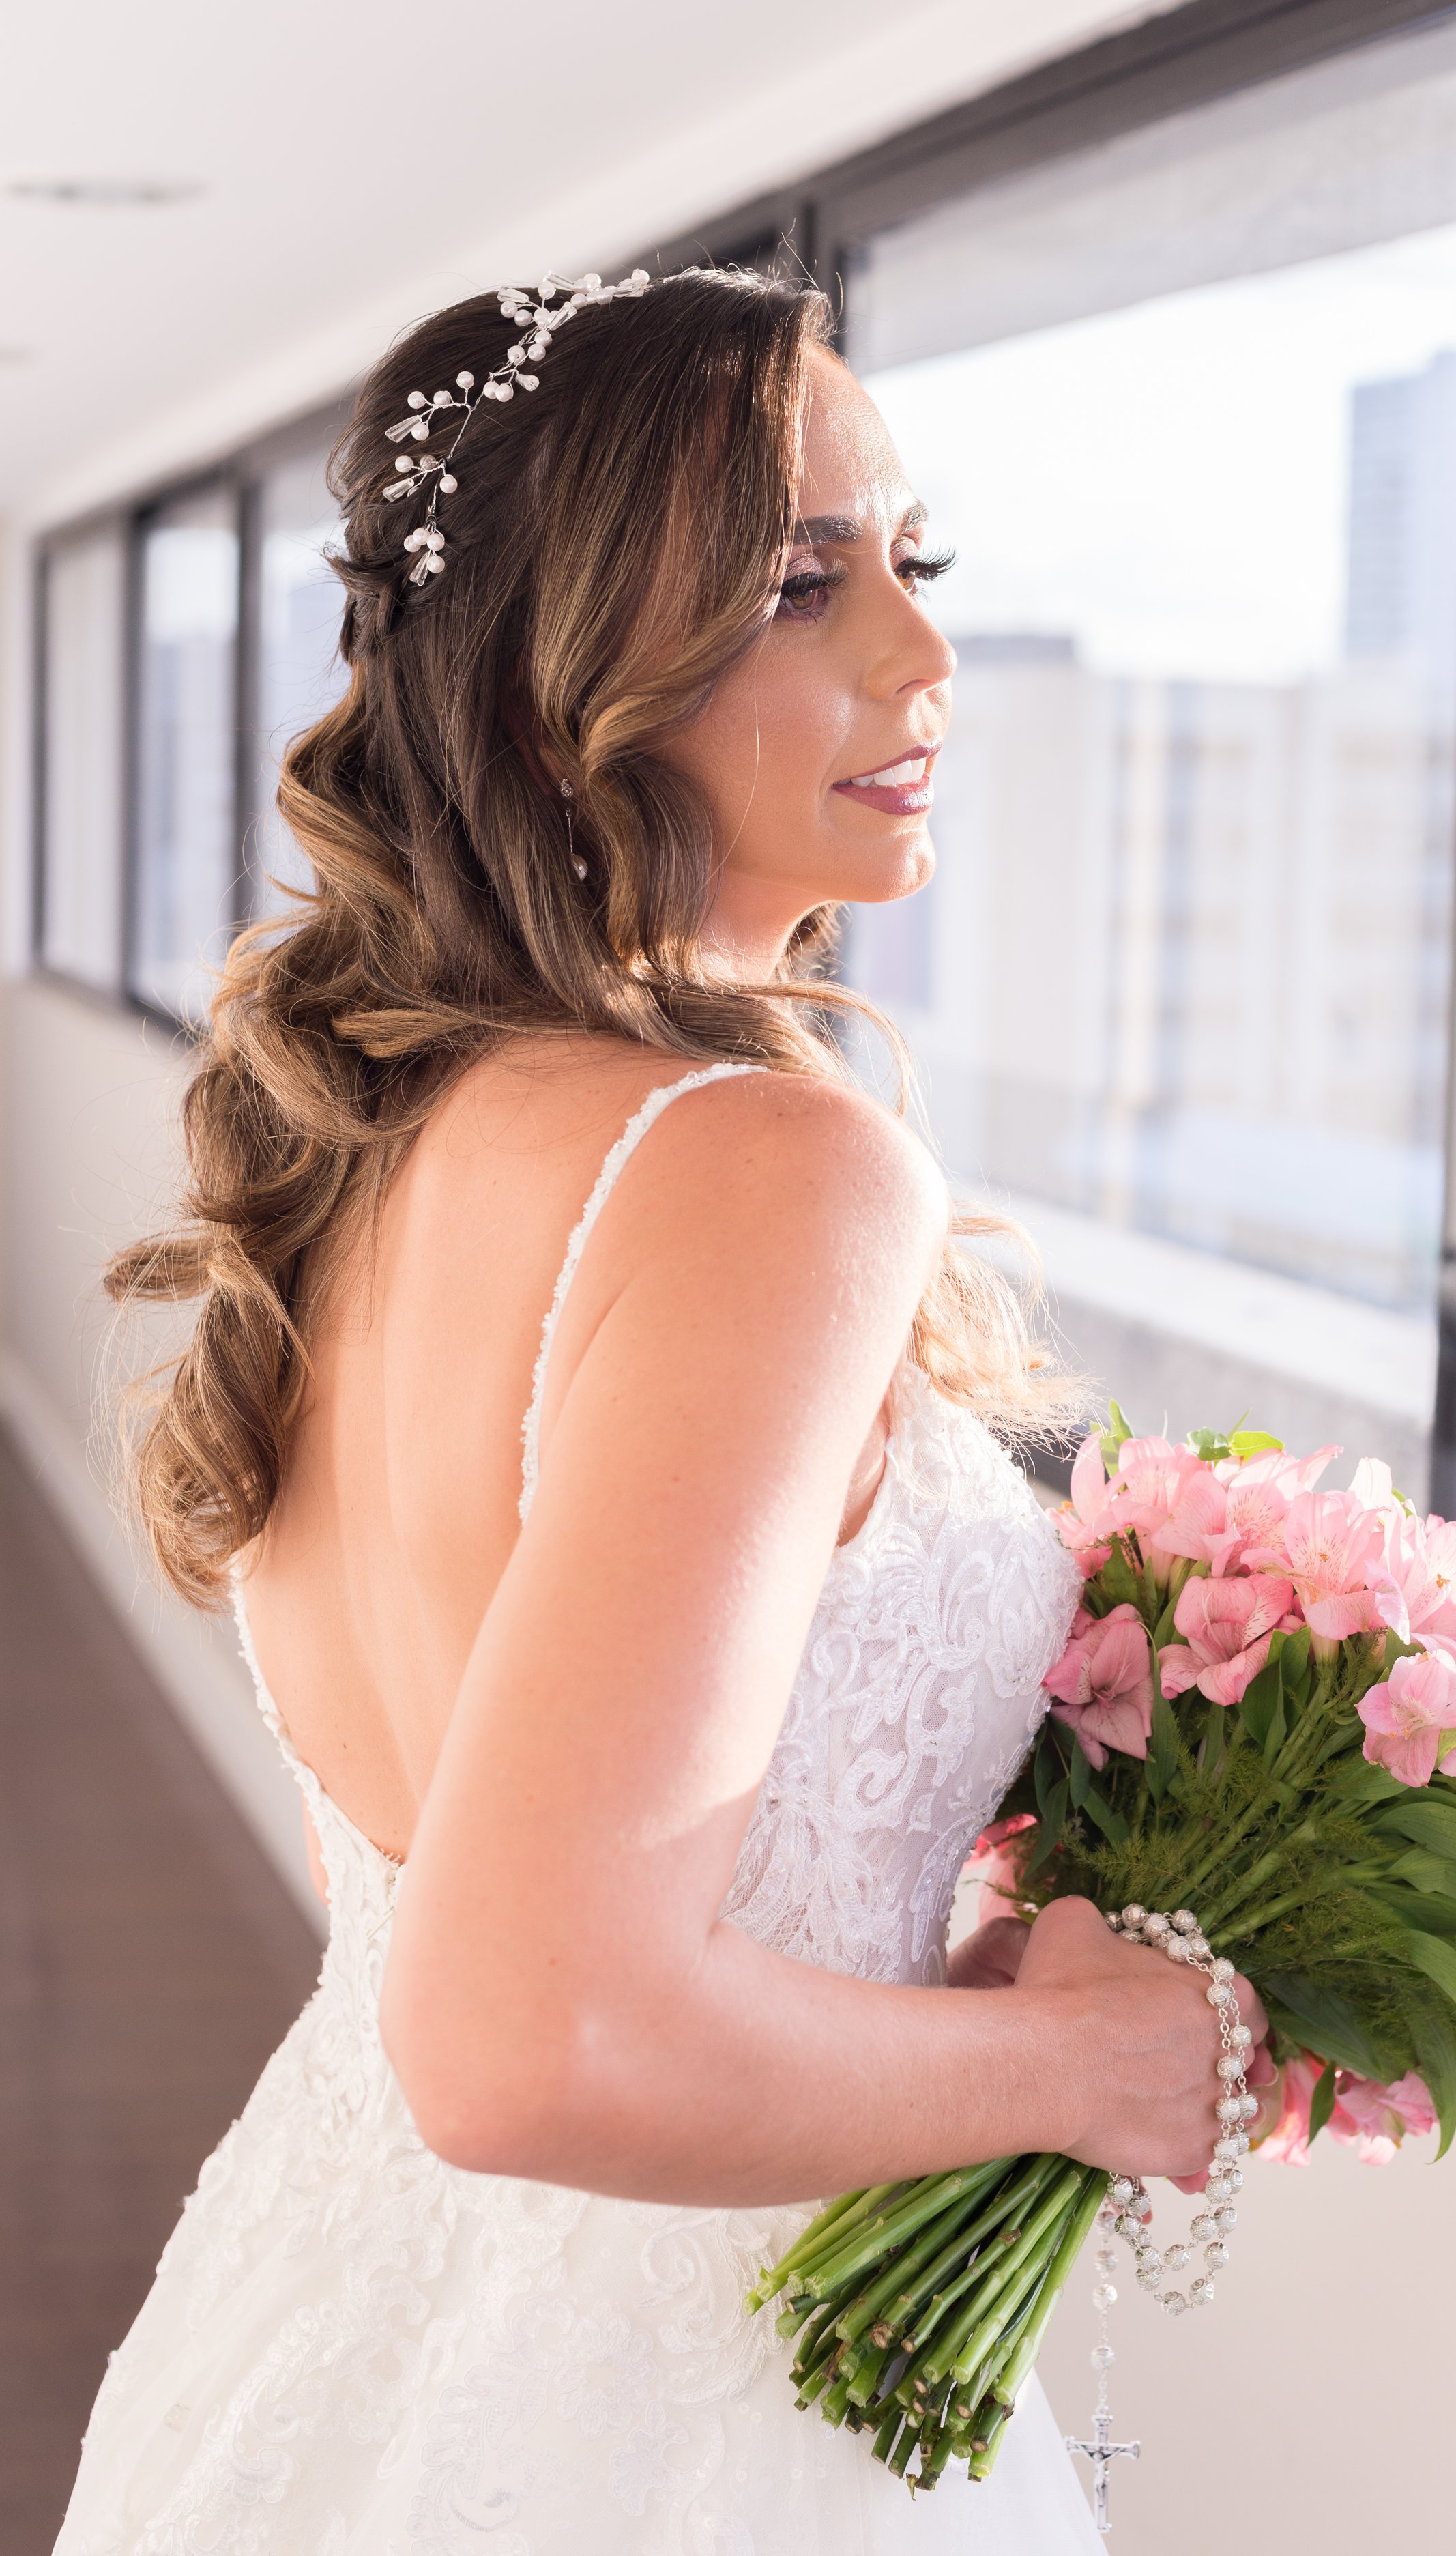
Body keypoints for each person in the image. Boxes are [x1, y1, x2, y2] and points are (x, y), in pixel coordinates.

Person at [56, 264, 1270, 2553]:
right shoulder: (762, 1169)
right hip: (705, 2419)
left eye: (916, 558)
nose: (916, 656)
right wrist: (1089, 2059)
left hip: (329, 2352)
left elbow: (483, 1870)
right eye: (797, 585)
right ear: (557, 693)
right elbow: (530, 2036)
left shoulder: (383, 1139)